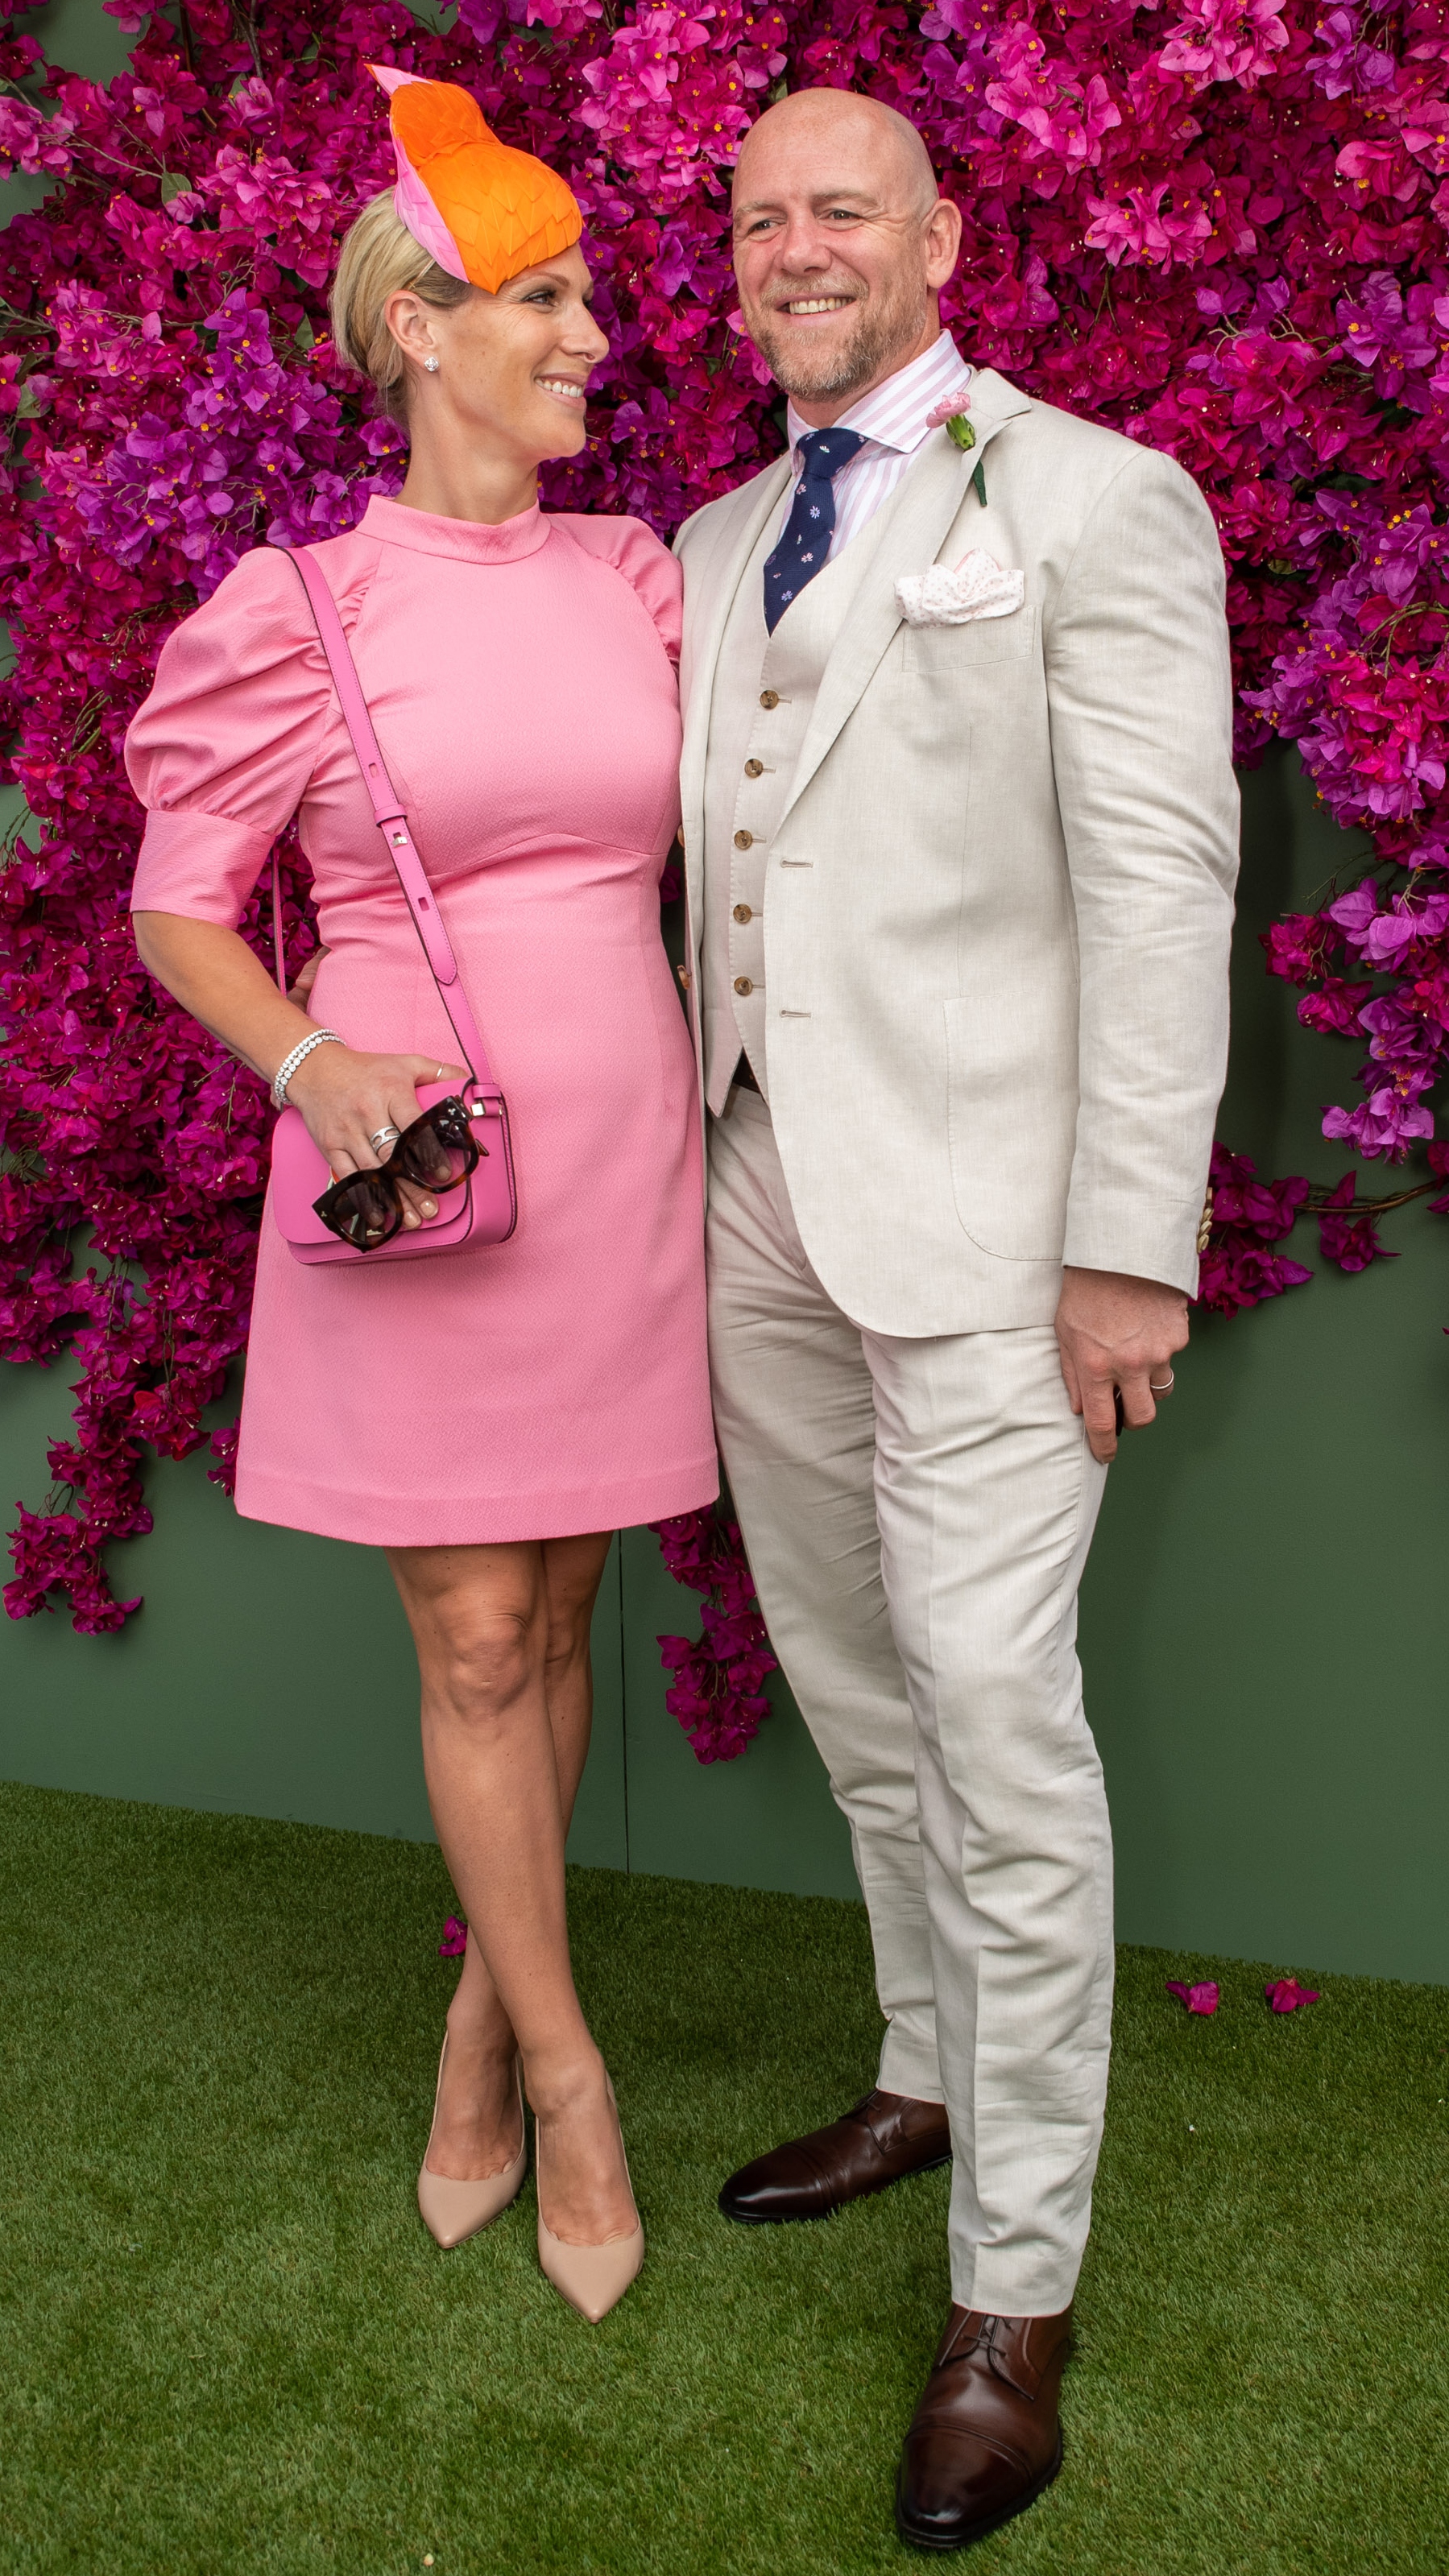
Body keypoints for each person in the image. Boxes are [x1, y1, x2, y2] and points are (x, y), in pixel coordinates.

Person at [674, 88, 1238, 2546]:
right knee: (853, 1677)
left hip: (1005, 1238)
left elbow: (1164, 886)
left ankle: (1017, 2293)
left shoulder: (1095, 499)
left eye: (844, 210)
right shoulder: (704, 540)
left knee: (1003, 1730)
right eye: (761, 215)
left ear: (941, 232)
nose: (801, 247)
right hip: (753, 1198)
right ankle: (922, 2074)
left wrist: (1129, 1239)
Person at [126, 68, 716, 2325]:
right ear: (417, 327)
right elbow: (182, 913)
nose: (589, 337)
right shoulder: (294, 607)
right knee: (473, 1633)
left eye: (584, 297)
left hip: (624, 1161)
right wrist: (312, 1059)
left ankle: (480, 2013)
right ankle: (570, 2081)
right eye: (542, 300)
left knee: (558, 1626)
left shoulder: (637, 577)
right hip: (421, 1167)